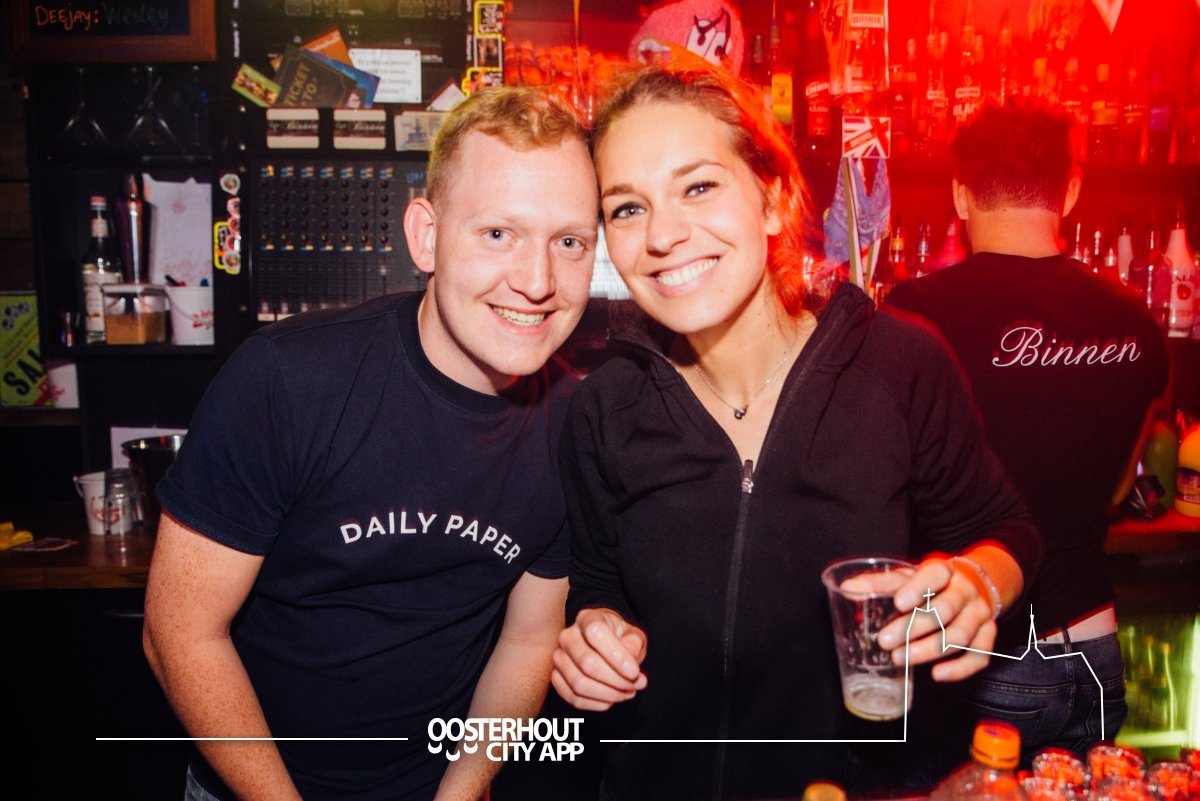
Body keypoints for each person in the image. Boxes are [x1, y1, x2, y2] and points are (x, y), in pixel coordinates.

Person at [549, 58, 1041, 800]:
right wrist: (594, 631)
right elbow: (595, 581)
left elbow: (1007, 531)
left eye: (699, 187)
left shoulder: (899, 367)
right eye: (627, 208)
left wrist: (979, 581)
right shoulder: (604, 406)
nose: (664, 234)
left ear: (774, 200)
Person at [142, 86, 600, 801]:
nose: (537, 281)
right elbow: (180, 634)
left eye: (568, 242)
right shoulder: (287, 380)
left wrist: (461, 791)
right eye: (498, 233)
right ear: (426, 236)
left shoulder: (574, 421)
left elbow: (529, 639)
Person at [886, 102, 1170, 770]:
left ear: (960, 194)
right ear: (1070, 190)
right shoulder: (1137, 322)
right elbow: (1121, 489)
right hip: (1096, 646)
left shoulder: (915, 315)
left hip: (978, 651)